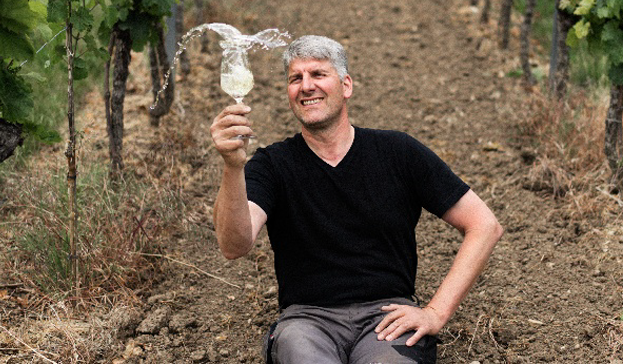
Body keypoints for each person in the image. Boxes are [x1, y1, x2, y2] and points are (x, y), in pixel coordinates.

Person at [210, 35, 503, 364]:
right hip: (307, 322)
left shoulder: (398, 153)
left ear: (345, 85)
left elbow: (484, 225)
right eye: (296, 78)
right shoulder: (273, 165)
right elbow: (234, 245)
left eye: (318, 74)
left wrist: (435, 312)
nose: (306, 86)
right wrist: (233, 167)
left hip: (386, 319)